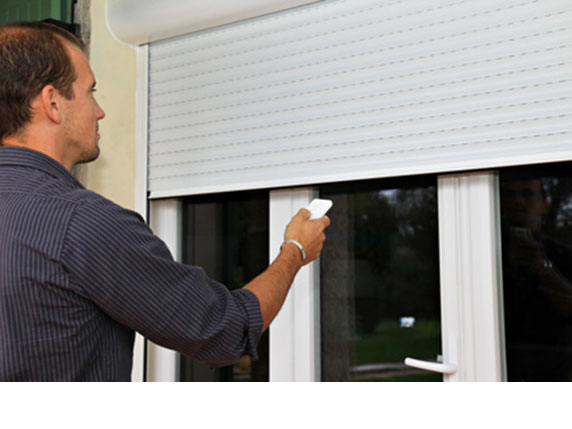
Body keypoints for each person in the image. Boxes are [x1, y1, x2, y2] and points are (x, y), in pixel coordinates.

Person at [0, 21, 330, 381]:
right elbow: (225, 329)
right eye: (90, 92)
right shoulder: (83, 223)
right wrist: (294, 251)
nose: (99, 111)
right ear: (52, 103)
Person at [500, 179, 572, 381]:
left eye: (527, 194)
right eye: (510, 194)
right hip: (500, 364)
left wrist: (545, 270)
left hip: (553, 368)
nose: (518, 201)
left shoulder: (562, 255)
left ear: (543, 205)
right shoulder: (485, 254)